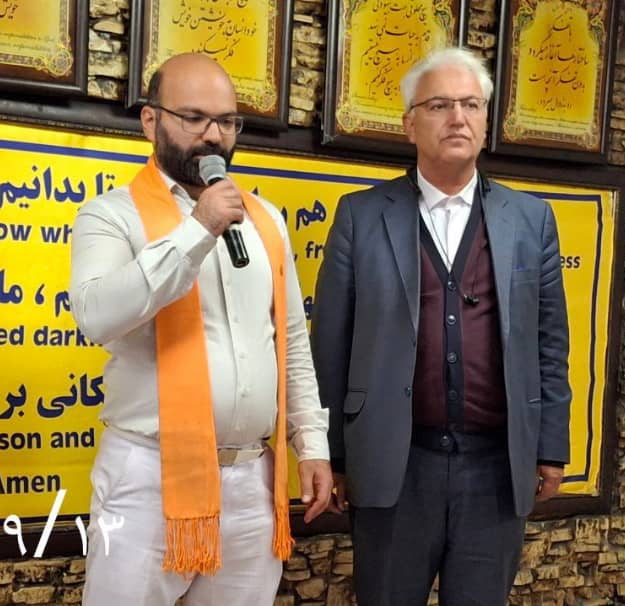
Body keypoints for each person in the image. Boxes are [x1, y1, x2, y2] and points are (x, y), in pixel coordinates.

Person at [311, 47, 572, 605]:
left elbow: (549, 344)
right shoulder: (361, 216)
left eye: (471, 105)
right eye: (440, 105)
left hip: (495, 468)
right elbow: (330, 345)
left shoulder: (531, 220)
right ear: (410, 123)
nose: (458, 118)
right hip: (394, 466)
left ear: (485, 120)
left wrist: (551, 447)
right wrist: (331, 455)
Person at [69, 53, 332, 606]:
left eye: (227, 121)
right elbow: (96, 315)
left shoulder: (264, 220)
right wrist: (198, 229)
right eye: (193, 118)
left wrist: (311, 444)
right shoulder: (111, 215)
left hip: (252, 479)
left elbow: (289, 343)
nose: (213, 136)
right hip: (147, 478)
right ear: (151, 121)